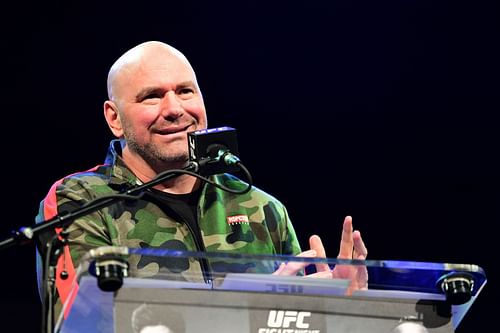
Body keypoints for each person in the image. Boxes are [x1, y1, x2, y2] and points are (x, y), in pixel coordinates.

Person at [35, 41, 368, 320]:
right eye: (152, 96)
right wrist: (246, 306)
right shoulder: (80, 202)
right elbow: (88, 321)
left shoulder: (260, 208)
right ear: (114, 118)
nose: (174, 108)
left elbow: (295, 321)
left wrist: (341, 312)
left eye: (185, 91)